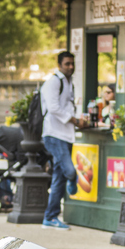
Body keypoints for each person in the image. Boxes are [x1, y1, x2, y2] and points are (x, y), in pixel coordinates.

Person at [40, 50, 89, 230]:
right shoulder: (54, 82)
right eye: (67, 64)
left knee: (58, 178)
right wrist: (74, 120)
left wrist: (77, 120)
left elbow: (68, 106)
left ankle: (50, 217)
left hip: (66, 135)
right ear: (59, 64)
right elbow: (53, 108)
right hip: (54, 134)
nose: (70, 67)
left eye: (72, 64)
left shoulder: (69, 83)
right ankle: (72, 180)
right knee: (69, 170)